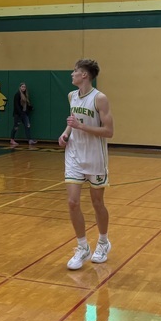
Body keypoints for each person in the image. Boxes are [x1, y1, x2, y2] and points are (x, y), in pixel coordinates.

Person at [58, 59, 114, 270]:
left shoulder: (100, 98)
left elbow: (109, 132)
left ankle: (103, 242)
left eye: (75, 71)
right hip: (74, 154)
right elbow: (72, 120)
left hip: (95, 156)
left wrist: (81, 126)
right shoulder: (71, 96)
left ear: (84, 75)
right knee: (72, 202)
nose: (71, 74)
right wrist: (65, 134)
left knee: (97, 203)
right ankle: (82, 247)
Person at [9, 83, 36, 147]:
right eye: (22, 87)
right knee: (16, 127)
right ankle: (12, 140)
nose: (23, 88)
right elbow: (16, 105)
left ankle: (29, 140)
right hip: (18, 114)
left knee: (27, 125)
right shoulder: (17, 95)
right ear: (20, 87)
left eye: (24, 87)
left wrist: (30, 108)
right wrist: (20, 113)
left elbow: (26, 104)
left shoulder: (25, 95)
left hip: (24, 113)